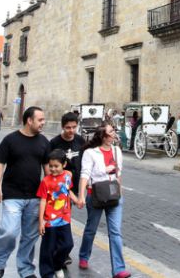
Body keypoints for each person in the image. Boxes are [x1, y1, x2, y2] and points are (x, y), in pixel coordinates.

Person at [0, 106, 51, 278]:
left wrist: (50, 197)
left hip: (35, 197)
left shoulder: (44, 142)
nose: (43, 123)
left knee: (30, 237)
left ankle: (25, 269)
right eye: (40, 120)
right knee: (9, 231)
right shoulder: (10, 140)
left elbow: (47, 172)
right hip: (12, 195)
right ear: (29, 120)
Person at [77, 124, 131, 278]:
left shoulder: (117, 151)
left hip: (114, 194)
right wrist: (81, 195)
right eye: (111, 132)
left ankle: (119, 269)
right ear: (103, 136)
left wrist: (120, 191)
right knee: (91, 228)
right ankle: (84, 256)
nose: (114, 134)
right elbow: (85, 174)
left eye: (113, 131)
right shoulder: (90, 153)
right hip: (95, 194)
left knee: (115, 232)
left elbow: (118, 173)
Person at [49, 112, 86, 267]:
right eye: (68, 128)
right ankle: (61, 253)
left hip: (77, 185)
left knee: (65, 218)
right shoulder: (54, 142)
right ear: (62, 127)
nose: (71, 130)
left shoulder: (80, 140)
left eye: (74, 127)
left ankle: (62, 251)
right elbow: (49, 167)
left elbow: (85, 162)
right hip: (60, 189)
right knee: (61, 219)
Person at [37, 149, 80, 278]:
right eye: (51, 166)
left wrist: (76, 200)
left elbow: (67, 190)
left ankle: (56, 265)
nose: (53, 169)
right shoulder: (46, 181)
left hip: (65, 218)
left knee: (68, 244)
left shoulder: (67, 176)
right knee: (48, 248)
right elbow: (43, 201)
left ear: (64, 164)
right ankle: (47, 273)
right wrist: (41, 222)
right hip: (50, 220)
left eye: (56, 166)